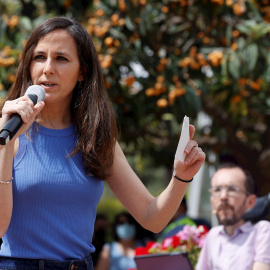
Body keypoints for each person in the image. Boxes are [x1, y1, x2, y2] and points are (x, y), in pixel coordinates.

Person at [0, 16, 205, 270]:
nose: (47, 68)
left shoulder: (96, 138)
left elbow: (152, 218)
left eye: (61, 58)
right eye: (39, 57)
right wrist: (4, 144)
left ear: (82, 72)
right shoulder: (7, 130)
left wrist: (180, 178)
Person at [196, 163, 270, 270]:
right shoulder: (213, 236)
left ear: (250, 202)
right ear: (211, 201)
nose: (223, 197)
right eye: (217, 190)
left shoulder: (261, 231)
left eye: (232, 189)